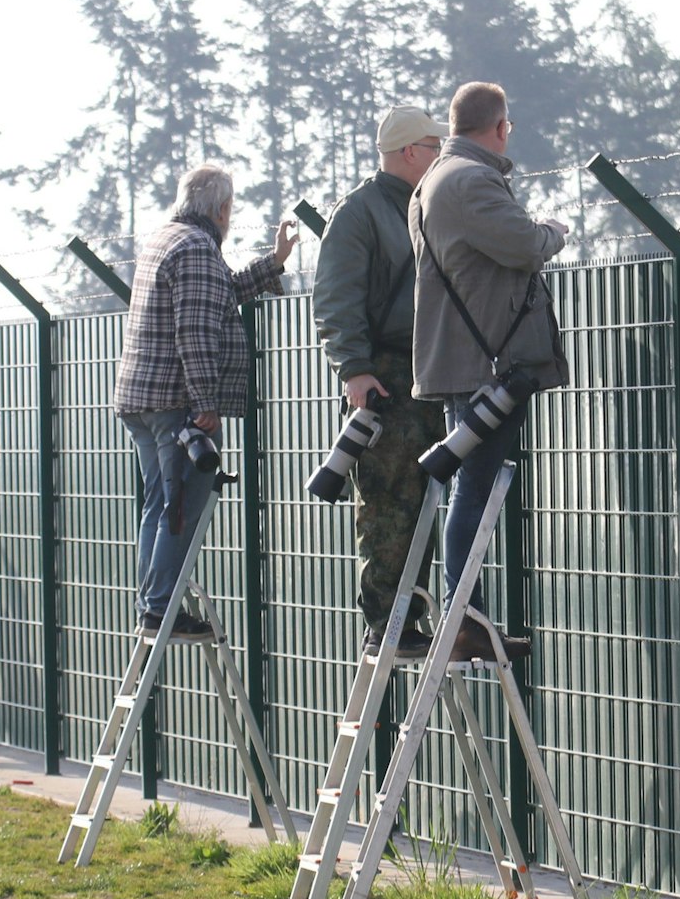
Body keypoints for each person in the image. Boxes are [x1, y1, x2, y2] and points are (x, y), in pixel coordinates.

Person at [408, 81, 567, 662]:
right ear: (499, 127)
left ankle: (461, 615)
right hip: (487, 364)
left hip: (461, 356)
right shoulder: (471, 181)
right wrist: (556, 229)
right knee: (475, 487)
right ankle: (461, 618)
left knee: (471, 486)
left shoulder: (430, 182)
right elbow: (524, 244)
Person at [114, 163, 297, 636]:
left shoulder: (165, 239)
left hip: (142, 398)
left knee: (159, 504)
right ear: (221, 209)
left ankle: (154, 605)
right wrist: (204, 405)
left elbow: (219, 293)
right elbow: (194, 333)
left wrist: (272, 264)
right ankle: (159, 611)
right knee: (179, 508)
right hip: (176, 402)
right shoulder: (197, 248)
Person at [313, 105, 451, 660]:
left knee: (423, 497)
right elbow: (336, 296)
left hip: (430, 368)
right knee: (388, 497)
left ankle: (408, 615)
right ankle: (387, 620)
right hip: (386, 374)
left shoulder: (427, 205)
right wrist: (354, 368)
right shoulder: (361, 212)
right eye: (433, 146)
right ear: (410, 152)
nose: (441, 154)